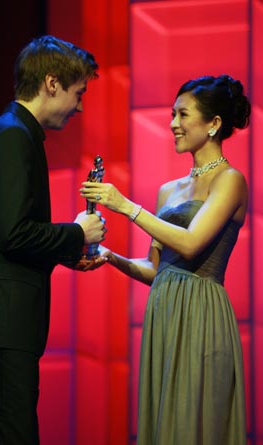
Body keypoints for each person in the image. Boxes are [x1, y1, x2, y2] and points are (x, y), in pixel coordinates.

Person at [80, 74, 251, 445]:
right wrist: (110, 257)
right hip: (165, 313)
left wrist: (124, 206)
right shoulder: (168, 191)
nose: (173, 124)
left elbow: (190, 246)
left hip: (202, 315)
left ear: (214, 124)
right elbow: (157, 269)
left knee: (197, 422)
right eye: (172, 115)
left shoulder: (230, 181)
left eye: (182, 115)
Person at [0, 35, 106, 445]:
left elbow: (6, 236)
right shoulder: (10, 136)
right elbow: (12, 233)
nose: (80, 106)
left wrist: (66, 251)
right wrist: (78, 232)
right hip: (2, 328)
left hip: (3, 328)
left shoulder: (11, 134)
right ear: (51, 83)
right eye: (78, 93)